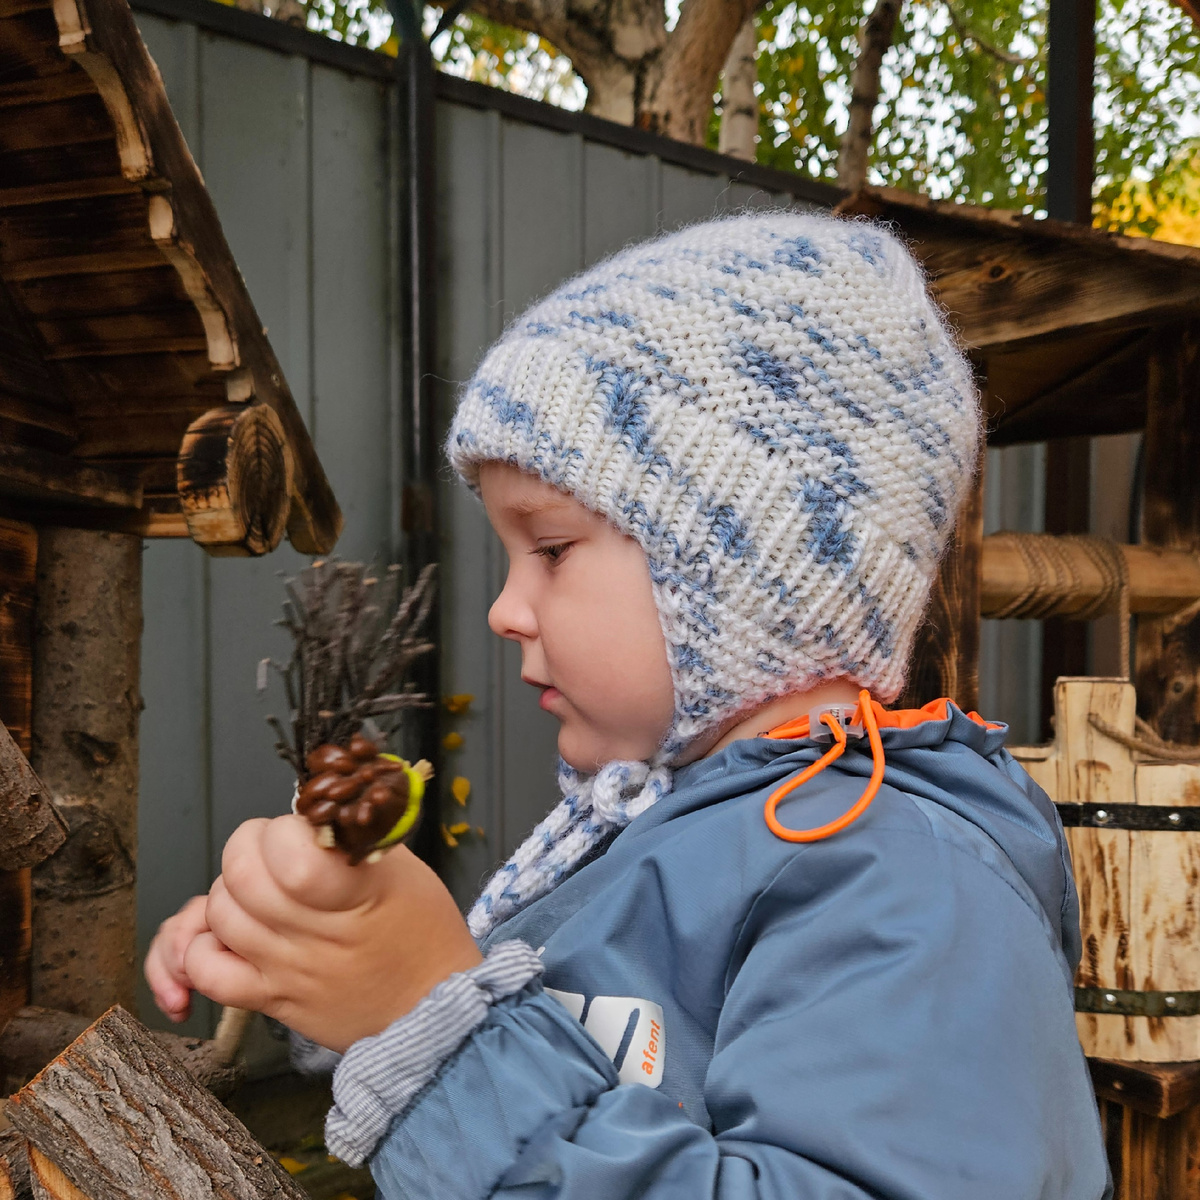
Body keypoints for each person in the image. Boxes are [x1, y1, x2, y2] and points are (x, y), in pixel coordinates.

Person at [146, 211, 1111, 1199]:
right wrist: (321, 964)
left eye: (551, 549)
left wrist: (430, 1024)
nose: (505, 610)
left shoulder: (909, 886)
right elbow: (560, 1090)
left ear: (741, 569)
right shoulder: (656, 836)